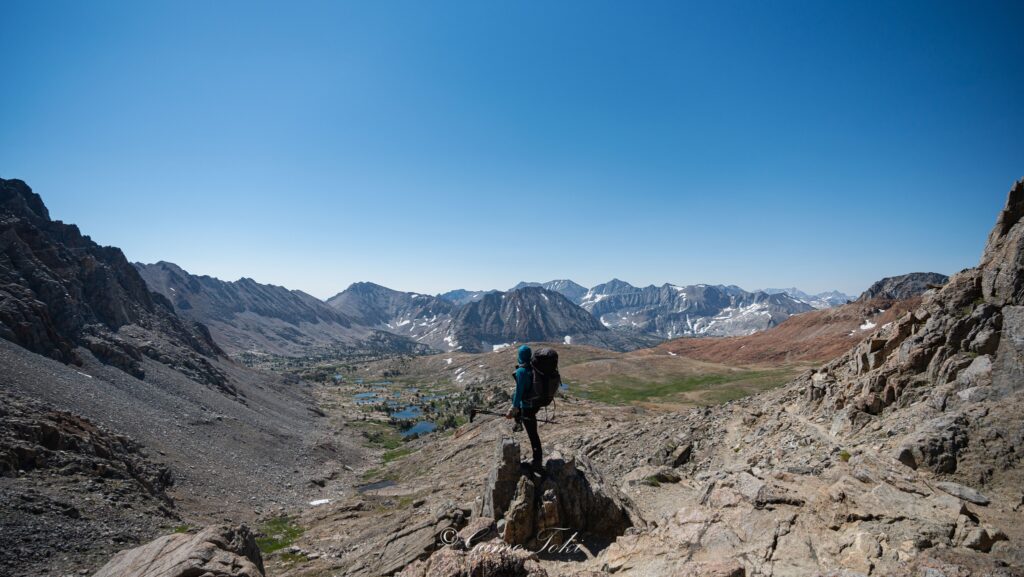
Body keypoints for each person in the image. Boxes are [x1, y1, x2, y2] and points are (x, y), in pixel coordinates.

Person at [506, 345, 543, 472]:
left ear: (520, 356)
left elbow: (519, 392)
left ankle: (537, 462)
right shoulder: (534, 367)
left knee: (533, 434)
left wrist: (513, 409)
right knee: (532, 429)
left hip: (528, 406)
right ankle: (518, 422)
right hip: (536, 404)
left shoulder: (522, 371)